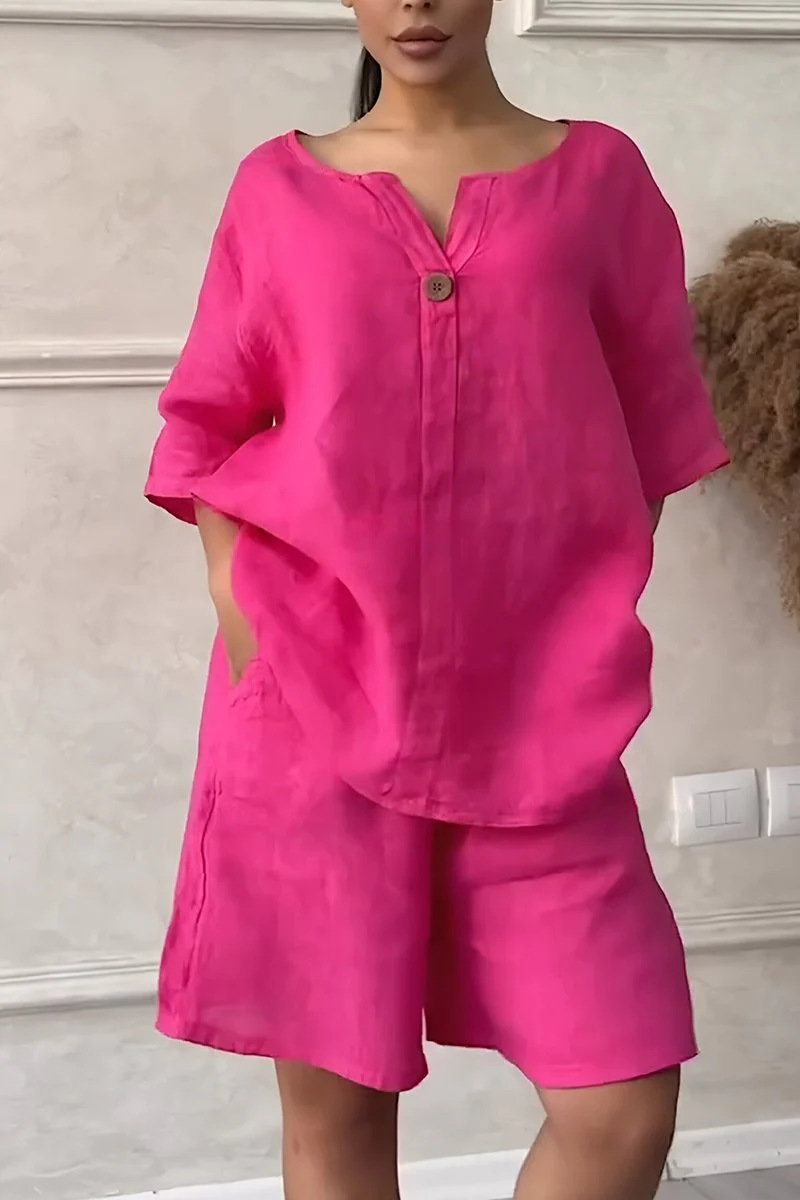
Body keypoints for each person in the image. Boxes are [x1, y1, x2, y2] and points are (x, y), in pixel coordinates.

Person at [144, 0, 729, 1193]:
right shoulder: (276, 191)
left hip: (542, 725)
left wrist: (565, 617)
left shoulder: (600, 180)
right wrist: (242, 612)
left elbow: (648, 427)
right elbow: (209, 427)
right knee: (338, 1117)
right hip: (307, 713)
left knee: (619, 1108)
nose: (414, 2)